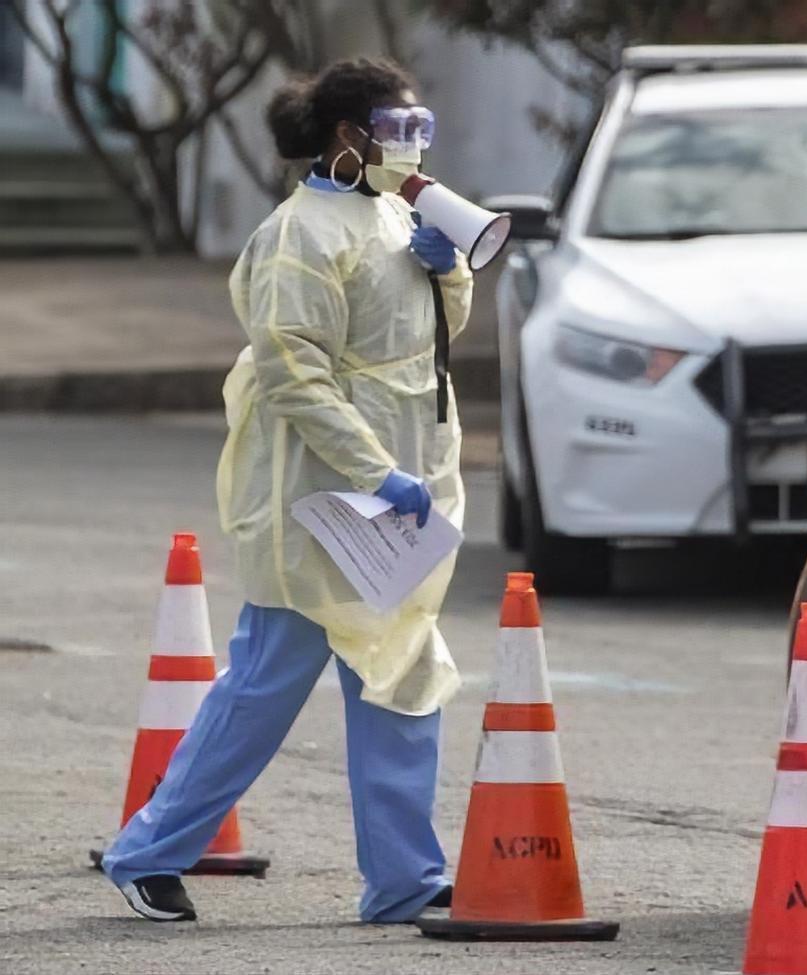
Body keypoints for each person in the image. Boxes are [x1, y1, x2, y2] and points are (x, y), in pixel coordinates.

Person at [101, 57, 473, 925]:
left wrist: (448, 271)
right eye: (398, 129)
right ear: (348, 137)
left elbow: (428, 337)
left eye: (422, 129)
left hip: (399, 488)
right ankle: (146, 851)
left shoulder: (392, 214)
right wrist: (372, 469)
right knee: (266, 682)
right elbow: (296, 375)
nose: (414, 146)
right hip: (320, 496)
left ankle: (405, 879)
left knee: (401, 671)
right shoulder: (298, 236)